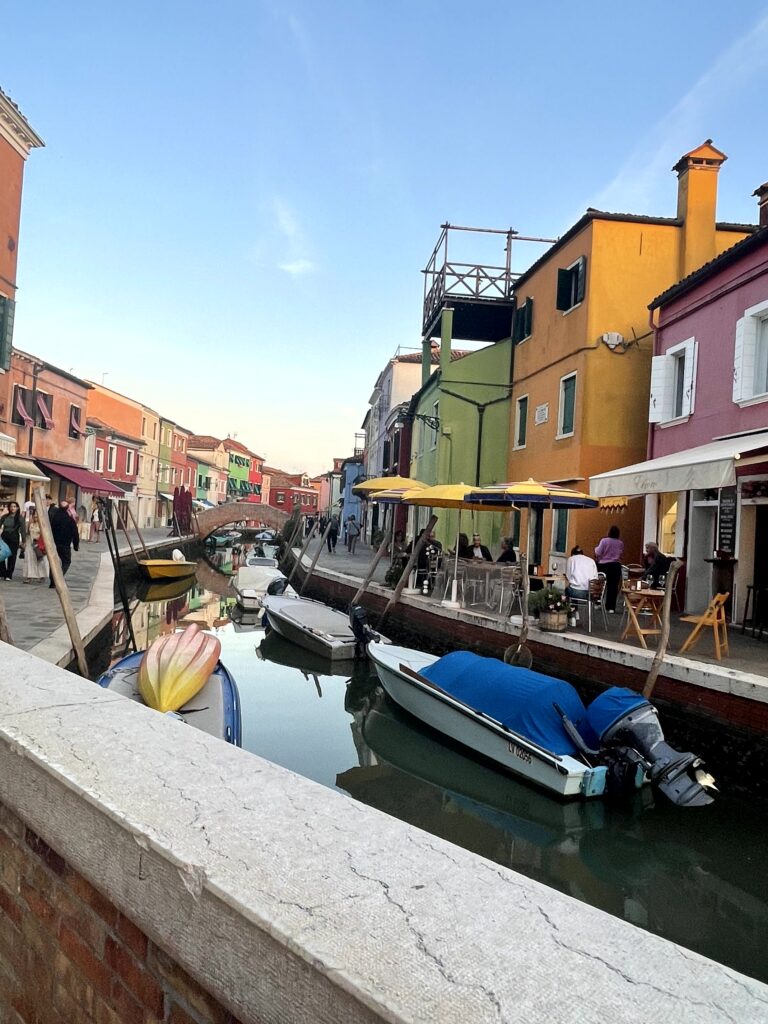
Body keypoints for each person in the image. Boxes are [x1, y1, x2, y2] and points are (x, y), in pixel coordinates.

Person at [49, 500, 80, 587]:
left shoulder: (54, 519)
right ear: (67, 508)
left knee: (53, 562)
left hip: (54, 544)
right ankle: (58, 579)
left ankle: (52, 581)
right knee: (66, 562)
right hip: (65, 545)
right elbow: (75, 534)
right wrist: (76, 545)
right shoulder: (70, 520)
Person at [594, 525, 624, 613]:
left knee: (600, 584)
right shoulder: (620, 543)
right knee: (613, 586)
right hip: (615, 565)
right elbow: (621, 555)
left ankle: (598, 602)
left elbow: (598, 552)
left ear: (609, 532)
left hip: (604, 565)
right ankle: (611, 607)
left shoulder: (604, 541)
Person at [0, 502, 26, 581]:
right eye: (11, 506)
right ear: (9, 508)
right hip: (4, 536)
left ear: (17, 508)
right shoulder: (5, 517)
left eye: (15, 506)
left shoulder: (20, 518)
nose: (13, 508)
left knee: (12, 556)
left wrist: (24, 541)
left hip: (14, 537)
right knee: (2, 555)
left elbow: (23, 530)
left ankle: (9, 574)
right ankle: (2, 572)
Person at [22, 509, 49, 584]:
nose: (36, 516)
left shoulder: (43, 524)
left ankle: (41, 575)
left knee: (39, 559)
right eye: (35, 514)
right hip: (30, 543)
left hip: (39, 544)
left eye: (37, 514)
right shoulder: (30, 523)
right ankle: (29, 576)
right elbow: (27, 533)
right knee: (29, 559)